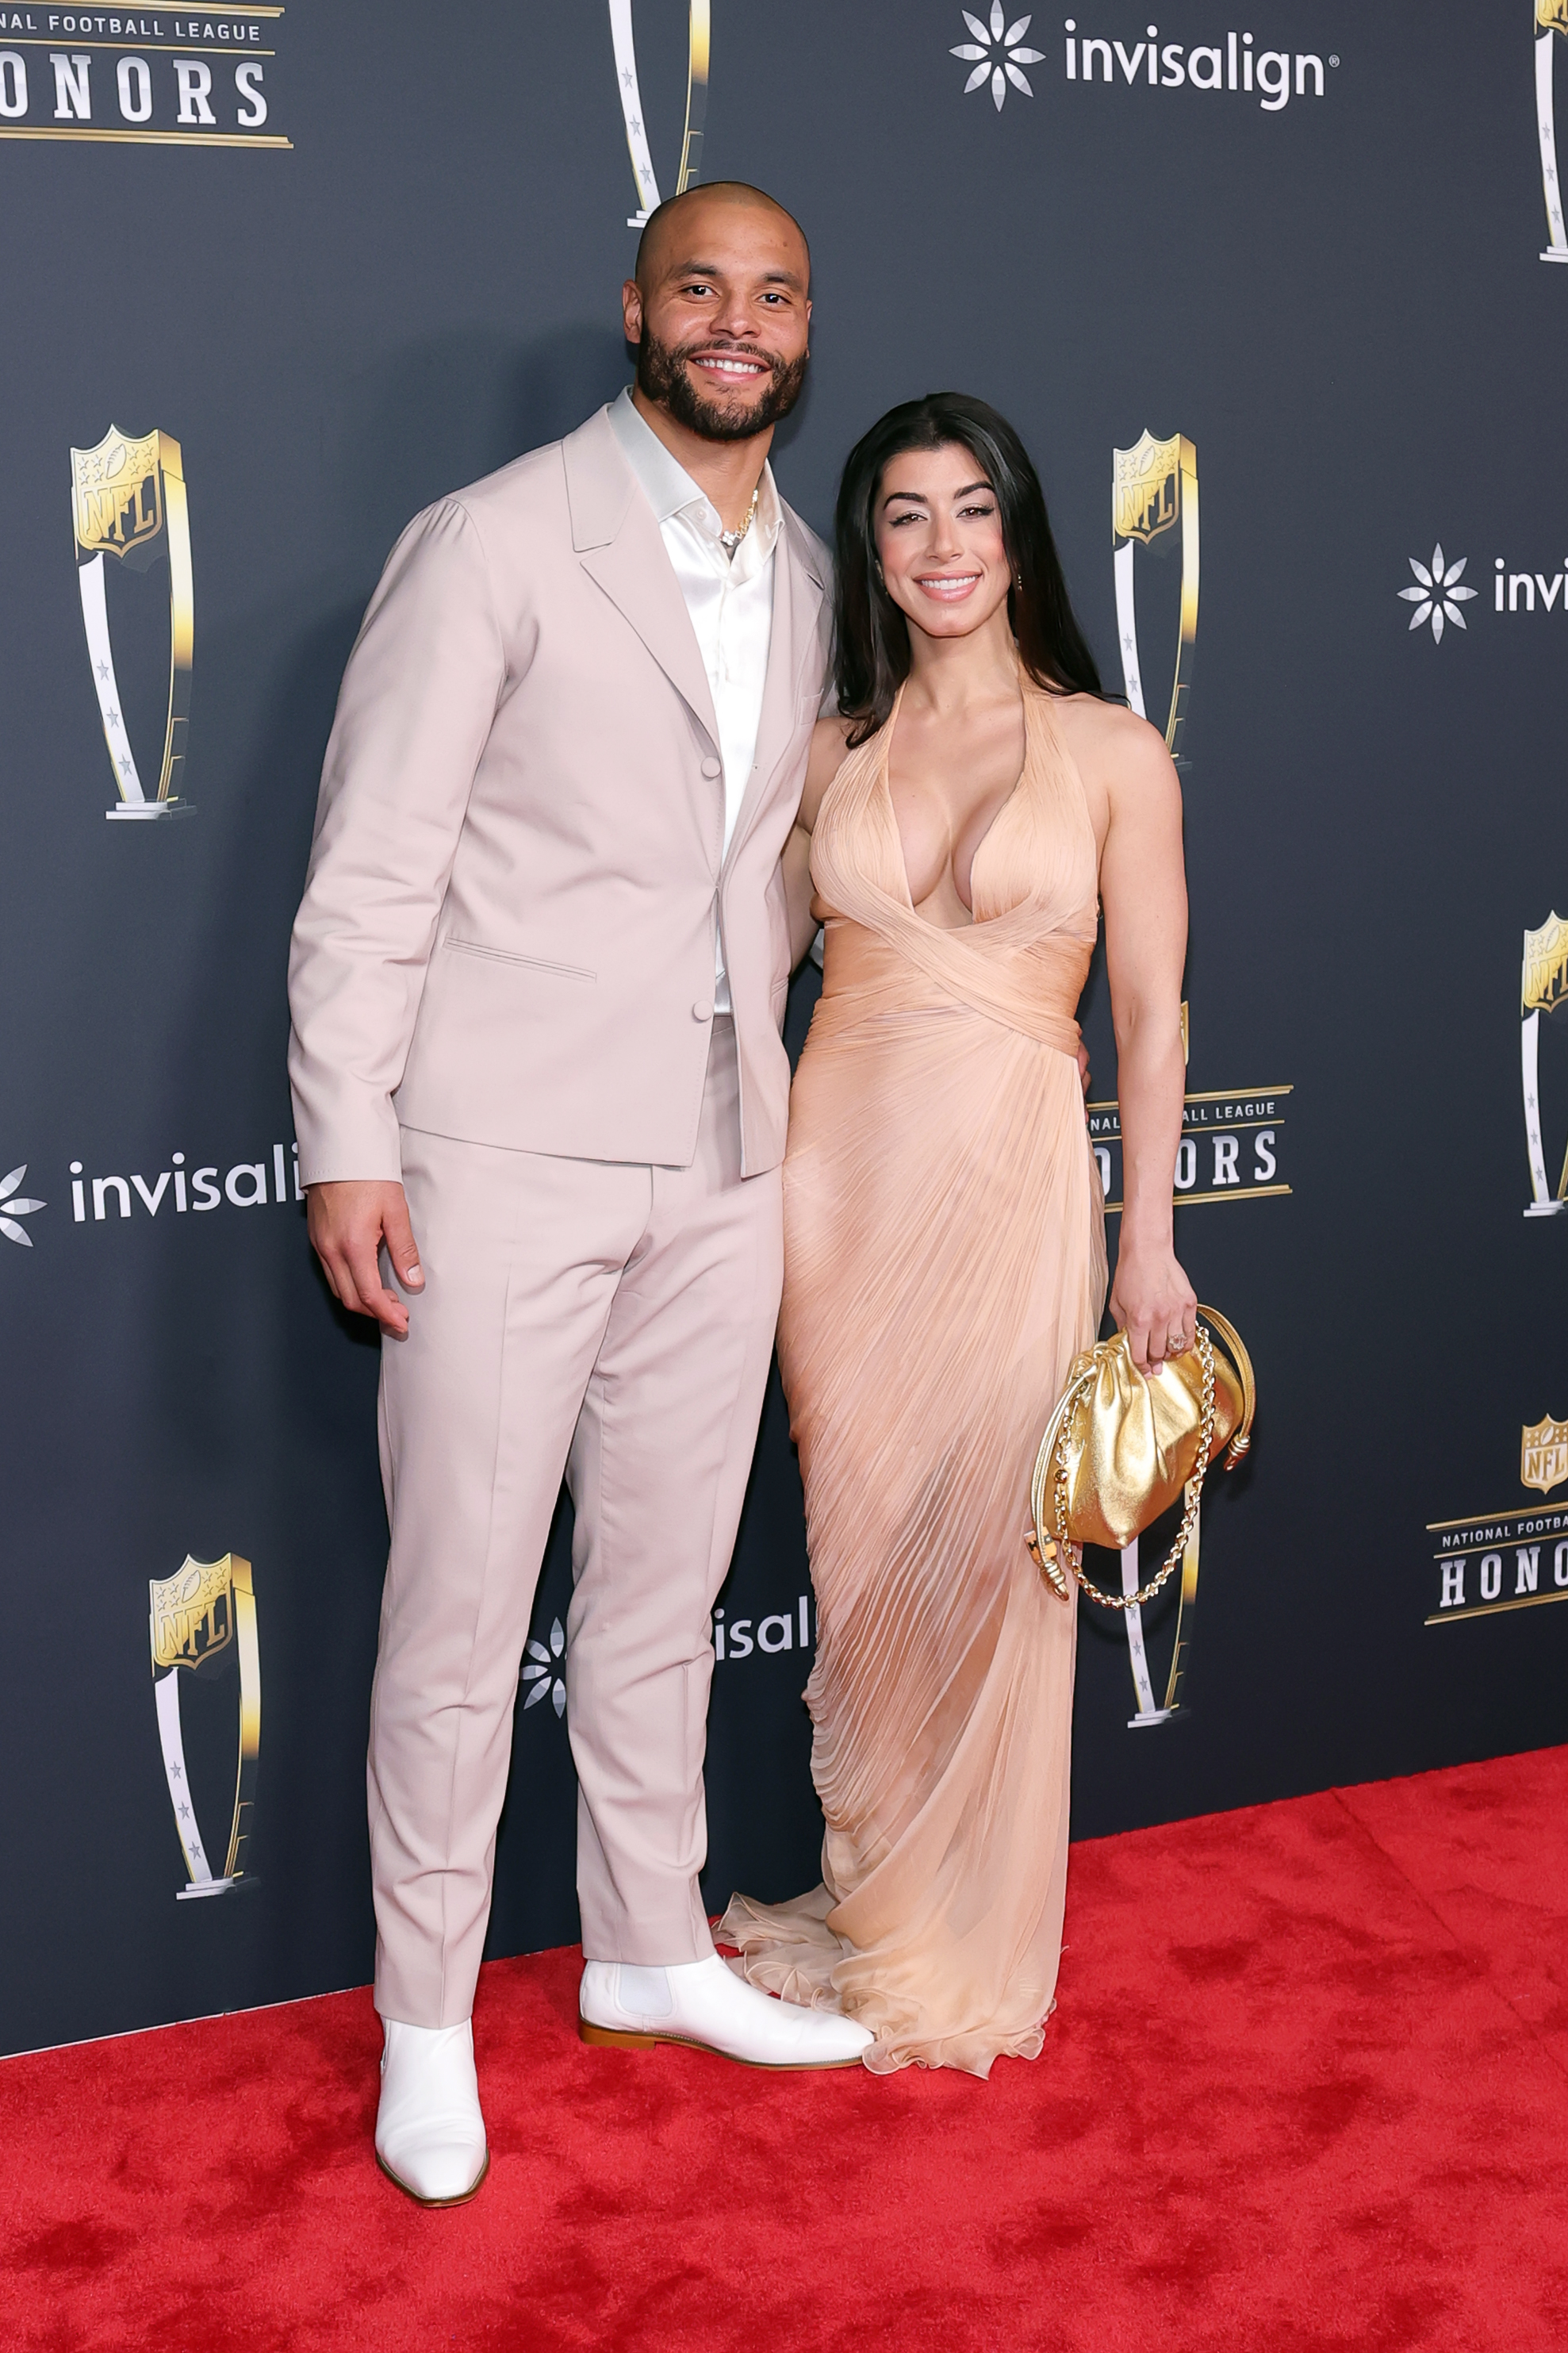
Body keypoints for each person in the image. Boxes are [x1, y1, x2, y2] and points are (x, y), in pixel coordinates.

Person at [287, 182, 872, 2209]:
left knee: (661, 1590)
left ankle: (643, 1944)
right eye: (700, 288)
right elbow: (374, 865)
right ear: (634, 310)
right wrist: (346, 1135)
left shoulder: (806, 574)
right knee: (459, 1615)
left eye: (772, 296)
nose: (737, 323)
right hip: (497, 1152)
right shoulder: (493, 541)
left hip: (724, 1160)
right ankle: (426, 2023)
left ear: (806, 332)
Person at [718, 394, 1194, 2076]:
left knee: (995, 1551)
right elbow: (723, 949)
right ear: (869, 547)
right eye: (901, 515)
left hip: (1010, 1181)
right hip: (830, 1187)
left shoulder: (1115, 752)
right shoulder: (829, 751)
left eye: (968, 509)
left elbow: (1150, 1017)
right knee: (858, 1561)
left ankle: (952, 1937)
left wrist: (1148, 1244)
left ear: (1017, 535)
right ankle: (870, 1901)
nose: (937, 547)